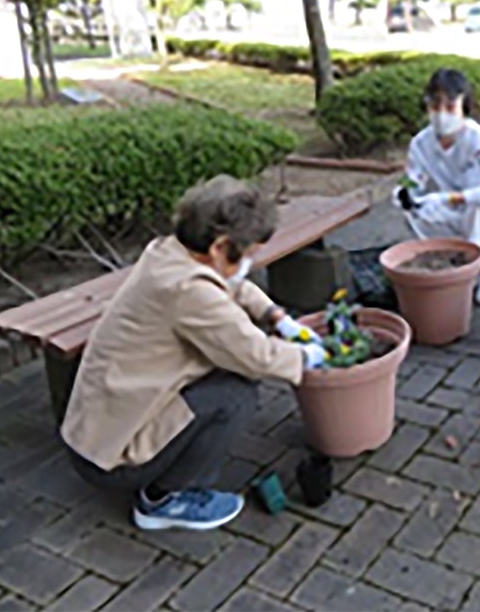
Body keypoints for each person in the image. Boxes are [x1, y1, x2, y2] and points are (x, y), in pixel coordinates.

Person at [61, 175, 326, 531]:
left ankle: (163, 476)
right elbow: (257, 356)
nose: (250, 262)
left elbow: (232, 285)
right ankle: (163, 500)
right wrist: (307, 356)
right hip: (111, 461)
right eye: (248, 254)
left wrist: (275, 316)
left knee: (222, 374)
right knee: (236, 393)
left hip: (93, 434)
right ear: (219, 247)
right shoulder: (188, 290)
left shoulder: (170, 252)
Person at [392, 68, 480, 305]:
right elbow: (412, 180)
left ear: (464, 107)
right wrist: (405, 195)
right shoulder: (421, 143)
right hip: (455, 211)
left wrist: (447, 199)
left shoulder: (477, 139)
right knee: (415, 212)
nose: (442, 114)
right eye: (434, 105)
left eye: (450, 106)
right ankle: (453, 259)